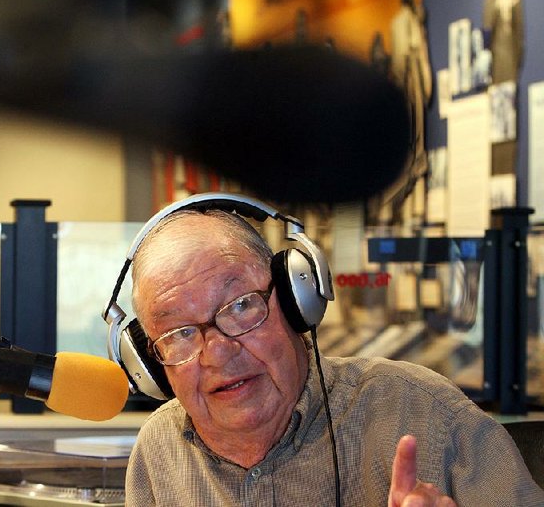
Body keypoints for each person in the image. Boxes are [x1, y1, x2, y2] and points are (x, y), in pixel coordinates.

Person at [124, 205, 544, 506]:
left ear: (296, 300)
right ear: (150, 366)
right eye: (178, 333)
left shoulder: (424, 414)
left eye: (240, 306)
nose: (217, 352)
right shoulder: (158, 452)